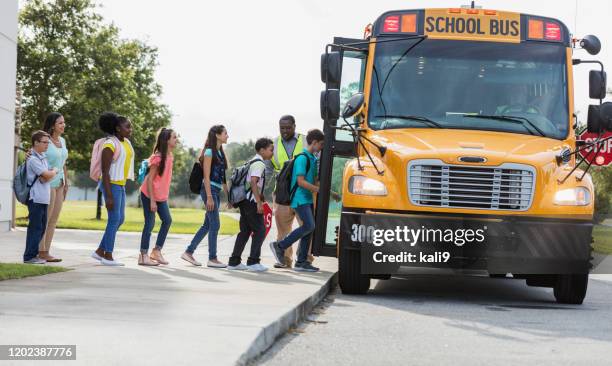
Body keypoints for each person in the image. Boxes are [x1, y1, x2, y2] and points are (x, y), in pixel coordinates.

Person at [269, 129, 325, 272]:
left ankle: (301, 262)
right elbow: (300, 182)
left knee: (308, 229)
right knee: (309, 226)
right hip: (299, 199)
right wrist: (318, 190)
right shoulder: (302, 158)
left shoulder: (313, 158)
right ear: (314, 142)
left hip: (307, 198)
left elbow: (313, 180)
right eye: (321, 145)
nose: (321, 148)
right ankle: (279, 246)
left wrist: (330, 193)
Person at [182, 125, 229, 268]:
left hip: (216, 190)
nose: (228, 136)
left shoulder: (220, 153)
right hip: (209, 190)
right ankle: (212, 258)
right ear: (217, 135)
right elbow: (206, 177)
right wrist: (209, 196)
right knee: (215, 224)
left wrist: (229, 196)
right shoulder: (209, 152)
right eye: (225, 133)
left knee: (207, 225)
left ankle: (188, 252)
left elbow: (223, 178)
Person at [269, 115, 312, 268]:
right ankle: (284, 259)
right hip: (282, 193)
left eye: (288, 127)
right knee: (282, 229)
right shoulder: (273, 144)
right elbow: (268, 168)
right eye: (282, 128)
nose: (285, 131)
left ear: (294, 126)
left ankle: (304, 259)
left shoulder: (306, 140)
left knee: (307, 226)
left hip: (302, 191)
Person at [91, 113, 135, 266]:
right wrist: (108, 196)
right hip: (111, 184)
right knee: (114, 219)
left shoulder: (126, 143)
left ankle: (99, 251)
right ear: (117, 128)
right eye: (127, 126)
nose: (131, 129)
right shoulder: (110, 144)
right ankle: (107, 256)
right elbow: (105, 171)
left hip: (120, 184)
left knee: (120, 219)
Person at [227, 137, 274, 272]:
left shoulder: (252, 161)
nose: (272, 153)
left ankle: (234, 262)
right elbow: (253, 182)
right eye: (270, 150)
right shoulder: (259, 163)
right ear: (262, 150)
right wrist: (259, 202)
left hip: (244, 201)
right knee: (260, 231)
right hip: (251, 202)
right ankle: (253, 262)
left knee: (245, 231)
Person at [138, 128, 177, 266]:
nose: (176, 140)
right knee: (150, 223)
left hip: (161, 197)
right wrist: (152, 201)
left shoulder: (170, 156)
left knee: (167, 220)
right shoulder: (158, 157)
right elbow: (149, 180)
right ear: (167, 140)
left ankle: (156, 251)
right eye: (174, 137)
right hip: (149, 194)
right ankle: (143, 255)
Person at [38, 112, 69, 263]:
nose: (63, 125)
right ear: (52, 125)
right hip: (47, 183)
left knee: (54, 219)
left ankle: (46, 251)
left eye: (63, 122)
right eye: (60, 123)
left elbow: (63, 162)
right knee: (46, 218)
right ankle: (40, 250)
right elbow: (36, 155)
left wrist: (67, 181)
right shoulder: (45, 141)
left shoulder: (62, 140)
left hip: (60, 183)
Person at [24, 131, 58, 264]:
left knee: (41, 228)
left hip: (44, 198)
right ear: (36, 143)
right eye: (44, 142)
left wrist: (49, 173)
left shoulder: (42, 157)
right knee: (35, 228)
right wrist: (53, 171)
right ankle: (29, 257)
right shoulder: (32, 159)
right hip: (36, 198)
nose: (47, 145)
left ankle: (34, 255)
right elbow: (48, 174)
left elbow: (46, 177)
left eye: (48, 142)